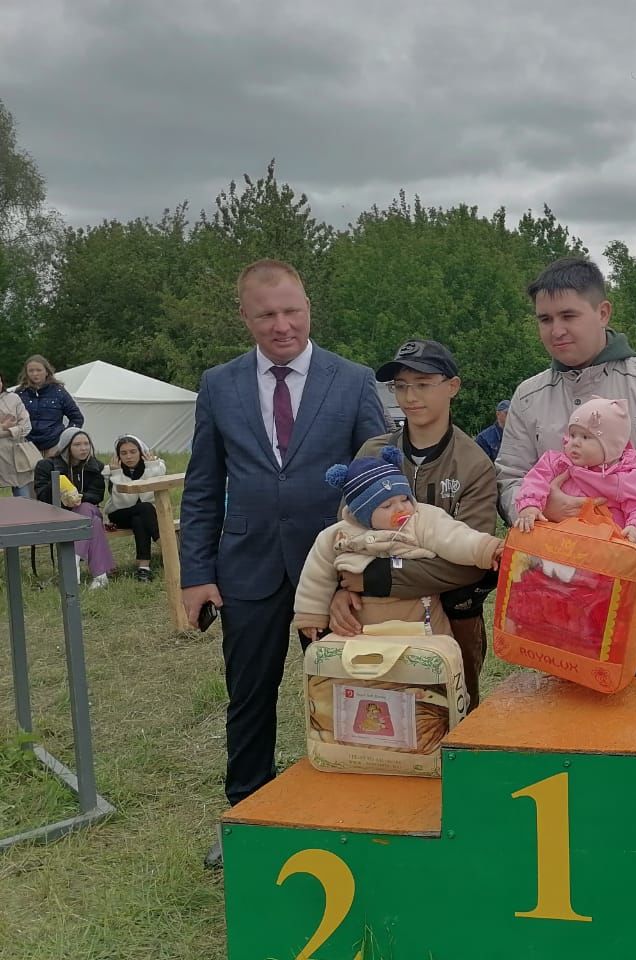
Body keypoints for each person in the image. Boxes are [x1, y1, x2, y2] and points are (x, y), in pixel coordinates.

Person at [179, 259, 386, 869]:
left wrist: (360, 575)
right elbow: (201, 484)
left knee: (350, 690)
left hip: (334, 575)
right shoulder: (218, 385)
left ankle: (358, 808)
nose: (281, 325)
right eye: (266, 314)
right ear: (244, 317)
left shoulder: (352, 381)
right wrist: (196, 574)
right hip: (246, 570)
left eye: (291, 310)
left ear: (308, 308)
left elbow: (377, 484)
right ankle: (247, 813)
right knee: (249, 695)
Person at [496, 257, 636, 678]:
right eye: (544, 319)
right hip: (555, 587)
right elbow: (509, 478)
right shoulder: (529, 396)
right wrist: (544, 507)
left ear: (603, 312)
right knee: (562, 714)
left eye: (569, 315)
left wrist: (630, 560)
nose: (556, 330)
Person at [328, 339, 499, 713]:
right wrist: (340, 590)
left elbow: (469, 564)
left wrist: (376, 576)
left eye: (422, 384)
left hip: (453, 620)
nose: (409, 396)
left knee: (450, 717)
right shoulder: (372, 453)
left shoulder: (474, 464)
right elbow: (344, 537)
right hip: (371, 618)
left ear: (452, 386)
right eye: (401, 386)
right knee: (378, 719)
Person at [293, 446, 503, 642]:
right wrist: (311, 614)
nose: (401, 509)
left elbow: (454, 537)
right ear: (362, 514)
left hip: (420, 620)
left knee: (429, 669)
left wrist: (487, 549)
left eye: (404, 499)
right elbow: (316, 575)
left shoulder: (421, 519)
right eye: (387, 505)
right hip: (363, 625)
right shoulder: (338, 535)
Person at [514, 396, 636, 544]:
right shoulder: (557, 463)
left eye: (585, 437)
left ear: (611, 447)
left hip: (599, 550)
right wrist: (530, 505)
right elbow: (535, 480)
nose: (575, 442)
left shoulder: (624, 478)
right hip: (556, 543)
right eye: (573, 435)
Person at [33, 427, 116, 589]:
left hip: (85, 510)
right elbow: (42, 497)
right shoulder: (46, 465)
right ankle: (100, 575)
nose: (84, 448)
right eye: (77, 444)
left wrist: (79, 497)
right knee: (94, 522)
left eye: (86, 443)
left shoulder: (94, 466)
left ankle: (72, 561)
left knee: (85, 508)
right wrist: (58, 485)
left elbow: (97, 495)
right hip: (56, 515)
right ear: (66, 447)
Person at [103, 435, 166, 581]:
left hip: (145, 514)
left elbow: (149, 495)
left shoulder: (155, 466)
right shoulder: (112, 471)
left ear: (141, 452)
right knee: (144, 509)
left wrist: (151, 469)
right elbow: (123, 503)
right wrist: (117, 474)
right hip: (119, 514)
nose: (129, 457)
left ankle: (143, 568)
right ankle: (167, 549)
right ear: (118, 456)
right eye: (123, 453)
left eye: (133, 452)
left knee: (140, 518)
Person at [17, 355, 84, 457]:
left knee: (55, 473)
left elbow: (77, 418)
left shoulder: (59, 392)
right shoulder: (19, 394)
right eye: (31, 371)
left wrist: (65, 439)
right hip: (28, 447)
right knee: (32, 474)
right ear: (26, 373)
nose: (35, 374)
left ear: (47, 371)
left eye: (39, 370)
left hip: (54, 446)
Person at [0, 368, 35, 497]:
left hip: (15, 455)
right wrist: (6, 427)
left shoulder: (13, 398)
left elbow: (26, 426)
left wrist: (7, 430)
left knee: (23, 499)